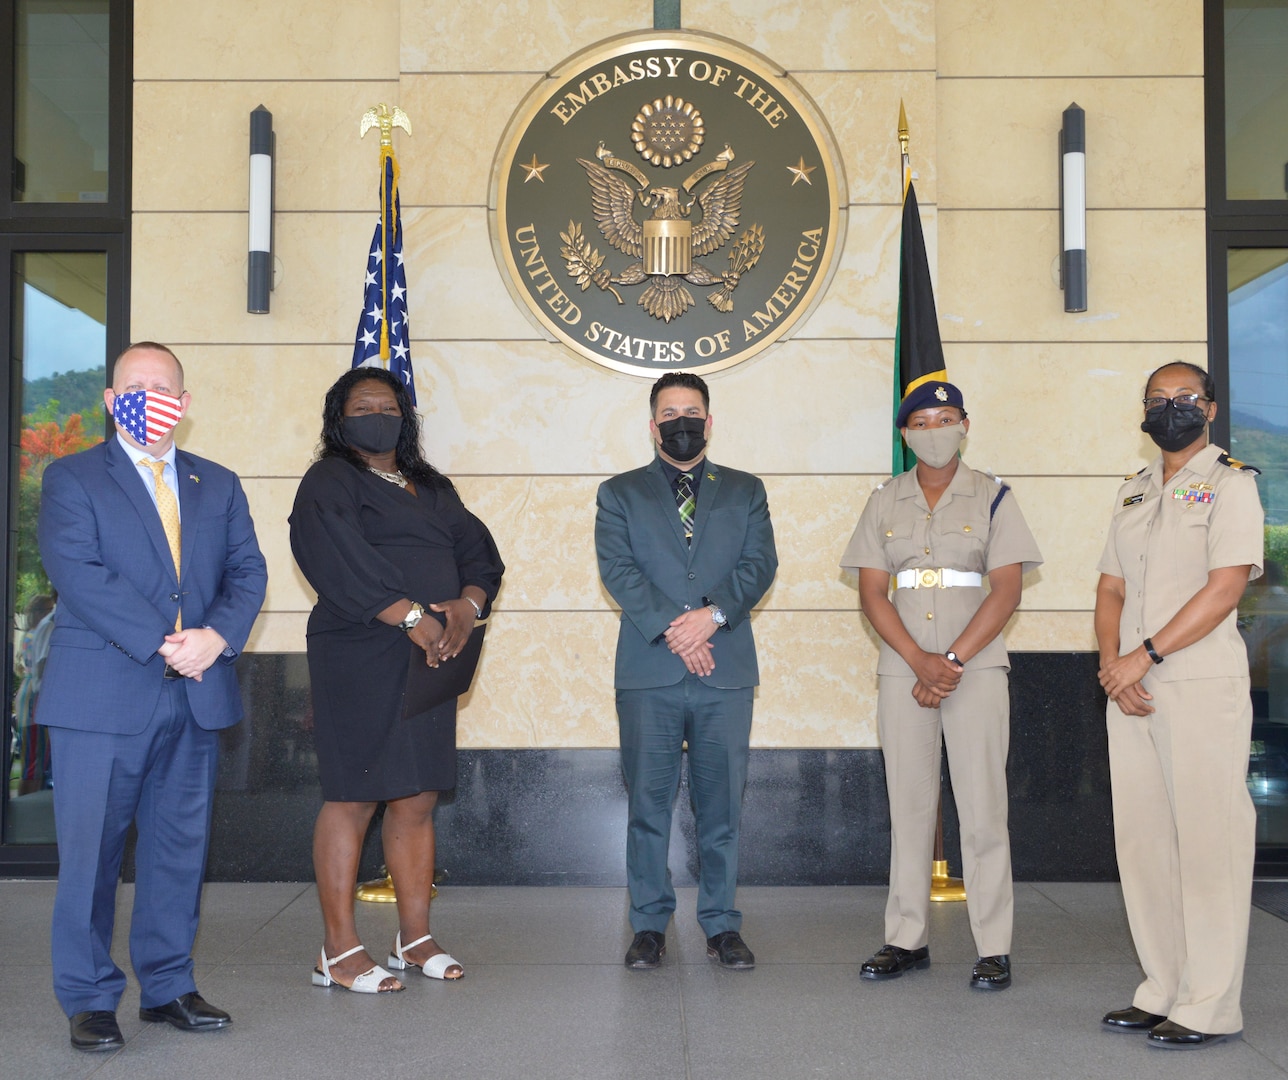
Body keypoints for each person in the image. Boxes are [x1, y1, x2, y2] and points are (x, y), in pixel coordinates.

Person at [36, 342, 267, 1052]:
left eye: (163, 386)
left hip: (196, 694)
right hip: (104, 697)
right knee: (92, 857)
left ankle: (167, 986)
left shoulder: (217, 483)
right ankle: (89, 997)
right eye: (134, 386)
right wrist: (171, 639)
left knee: (177, 851)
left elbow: (247, 573)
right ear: (111, 400)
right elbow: (79, 573)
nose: (149, 396)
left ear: (185, 403)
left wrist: (217, 638)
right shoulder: (73, 478)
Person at [289, 367, 503, 994]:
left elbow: (478, 551)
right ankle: (338, 949)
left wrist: (464, 607)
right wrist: (410, 615)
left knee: (417, 796)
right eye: (364, 405)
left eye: (389, 405)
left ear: (406, 419)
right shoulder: (329, 479)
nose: (378, 414)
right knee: (353, 796)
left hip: (436, 651)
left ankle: (414, 938)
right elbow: (334, 558)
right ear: (340, 417)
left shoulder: (430, 486)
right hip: (360, 650)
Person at [840, 380, 1041, 991]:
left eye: (945, 418)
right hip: (904, 671)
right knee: (909, 807)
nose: (934, 431)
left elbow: (1006, 589)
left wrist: (949, 659)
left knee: (983, 809)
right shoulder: (883, 501)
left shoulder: (994, 496)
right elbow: (873, 591)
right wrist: (918, 659)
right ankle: (906, 938)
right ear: (906, 433)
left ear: (965, 424)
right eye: (921, 422)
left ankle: (994, 946)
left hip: (974, 668)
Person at [1095, 361, 1262, 1049]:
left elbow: (1225, 589)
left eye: (1185, 398)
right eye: (1158, 399)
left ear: (1211, 410)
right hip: (1129, 690)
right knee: (1145, 844)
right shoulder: (1134, 493)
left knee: (1208, 844)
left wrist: (1145, 656)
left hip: (1197, 686)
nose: (1172, 409)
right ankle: (1162, 986)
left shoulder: (1233, 485)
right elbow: (1108, 588)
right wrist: (1113, 663)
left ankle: (1211, 1003)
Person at [595, 372, 777, 971]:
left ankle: (722, 927)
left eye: (691, 411)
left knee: (720, 808)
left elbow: (759, 565)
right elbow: (618, 571)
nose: (681, 422)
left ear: (709, 420)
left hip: (725, 673)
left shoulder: (746, 490)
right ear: (652, 426)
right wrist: (683, 628)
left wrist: (713, 617)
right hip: (650, 674)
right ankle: (648, 926)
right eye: (669, 413)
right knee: (648, 807)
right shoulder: (619, 493)